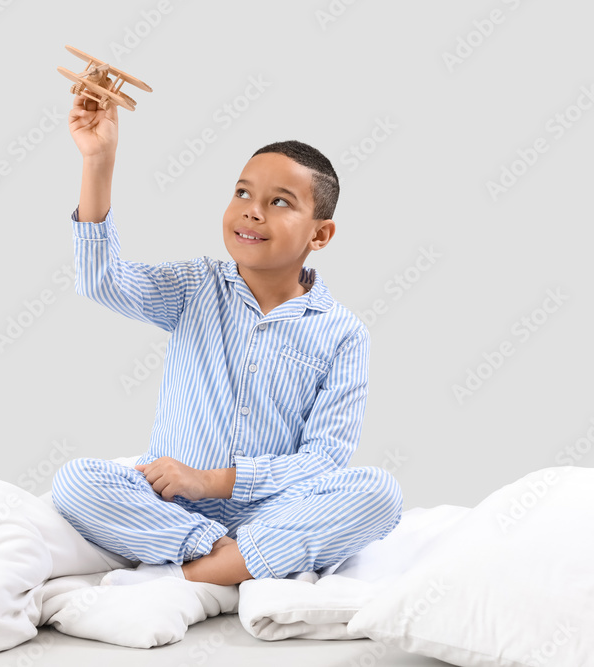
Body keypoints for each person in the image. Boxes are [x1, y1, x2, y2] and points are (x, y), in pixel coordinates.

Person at [50, 91, 403, 587]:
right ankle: (223, 558)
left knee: (380, 493)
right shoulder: (195, 286)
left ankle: (193, 576)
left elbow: (322, 460)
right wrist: (98, 160)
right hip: (170, 504)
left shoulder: (343, 333)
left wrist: (216, 480)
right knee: (76, 481)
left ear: (320, 235)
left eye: (279, 202)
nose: (252, 212)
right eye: (242, 193)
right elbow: (101, 279)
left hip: (274, 509)